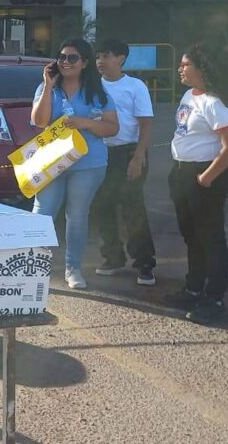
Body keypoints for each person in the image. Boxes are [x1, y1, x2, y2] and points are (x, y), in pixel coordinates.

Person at [165, 43, 228, 325]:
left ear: (202, 69)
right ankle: (193, 288)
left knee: (211, 238)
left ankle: (214, 298)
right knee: (191, 236)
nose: (181, 69)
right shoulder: (190, 94)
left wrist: (207, 177)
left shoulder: (215, 103)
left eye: (186, 64)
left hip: (204, 174)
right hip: (182, 172)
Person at [30, 38, 120, 290]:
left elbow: (113, 128)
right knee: (42, 212)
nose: (65, 62)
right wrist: (48, 86)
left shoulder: (97, 92)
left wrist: (87, 123)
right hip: (51, 162)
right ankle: (35, 266)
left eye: (72, 58)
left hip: (88, 163)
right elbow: (39, 121)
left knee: (77, 216)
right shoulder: (48, 87)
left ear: (85, 63)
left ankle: (73, 268)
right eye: (62, 57)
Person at [89, 38, 157, 286]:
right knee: (102, 206)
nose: (100, 61)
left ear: (121, 59)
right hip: (100, 154)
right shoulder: (93, 86)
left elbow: (146, 123)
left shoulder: (135, 86)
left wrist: (139, 157)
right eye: (98, 56)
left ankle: (144, 262)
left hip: (129, 152)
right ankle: (112, 257)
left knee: (133, 208)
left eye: (106, 56)